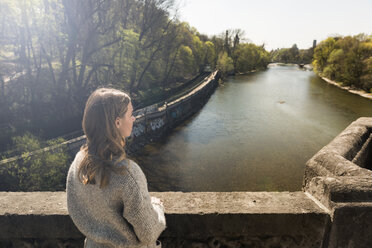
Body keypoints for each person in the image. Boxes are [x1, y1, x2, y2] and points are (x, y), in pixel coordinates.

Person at [66, 88, 166, 248]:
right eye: (130, 114)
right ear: (117, 122)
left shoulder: (78, 163)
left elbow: (76, 210)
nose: (134, 118)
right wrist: (157, 208)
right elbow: (148, 234)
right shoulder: (127, 174)